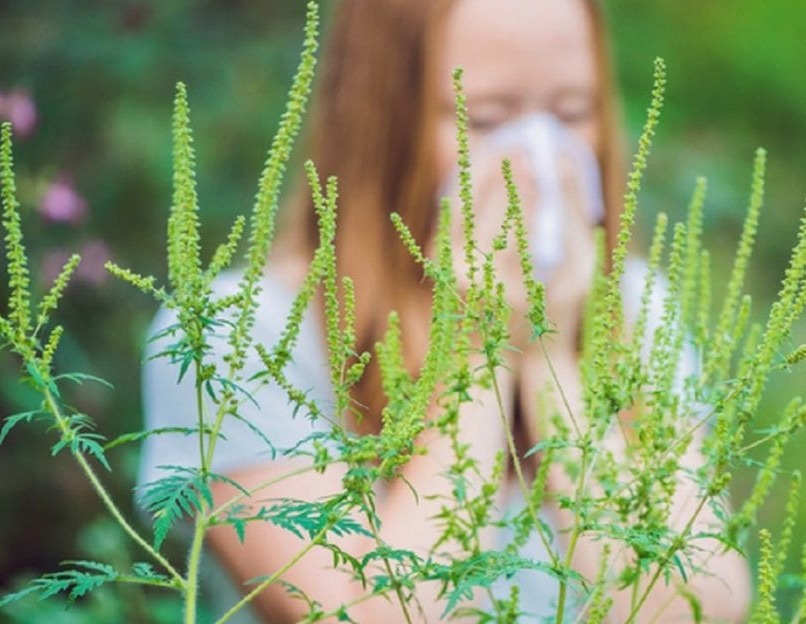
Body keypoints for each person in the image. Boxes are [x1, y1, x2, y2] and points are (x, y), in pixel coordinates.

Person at [138, 0, 751, 621]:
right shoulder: (238, 336)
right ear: (380, 123)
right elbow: (374, 615)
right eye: (485, 119)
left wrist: (548, 353)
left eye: (572, 112)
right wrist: (481, 348)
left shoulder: (638, 311)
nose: (536, 158)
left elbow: (697, 609)